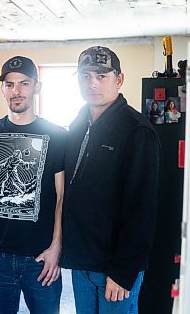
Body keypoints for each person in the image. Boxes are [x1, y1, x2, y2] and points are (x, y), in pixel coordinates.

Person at [61, 46, 160, 314]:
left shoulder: (136, 131)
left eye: (101, 76)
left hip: (115, 268)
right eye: (85, 76)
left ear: (119, 79)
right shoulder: (79, 123)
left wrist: (123, 271)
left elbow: (142, 209)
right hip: (82, 262)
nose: (92, 83)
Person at [0, 55, 67, 314]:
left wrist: (56, 249)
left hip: (41, 258)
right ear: (3, 89)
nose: (16, 91)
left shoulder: (58, 135)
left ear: (36, 87)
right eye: (10, 84)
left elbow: (61, 197)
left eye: (24, 84)